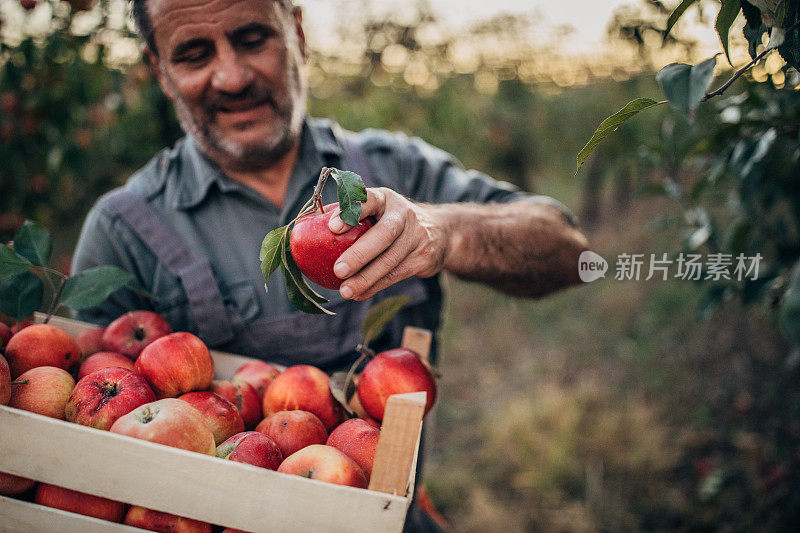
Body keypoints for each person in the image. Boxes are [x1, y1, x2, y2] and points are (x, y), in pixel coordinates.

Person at [71, 0, 588, 530]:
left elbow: (573, 256)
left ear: (297, 32)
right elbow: (83, 452)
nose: (231, 77)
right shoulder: (124, 230)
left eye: (252, 39)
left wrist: (447, 229)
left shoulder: (392, 171)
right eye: (194, 54)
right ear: (159, 69)